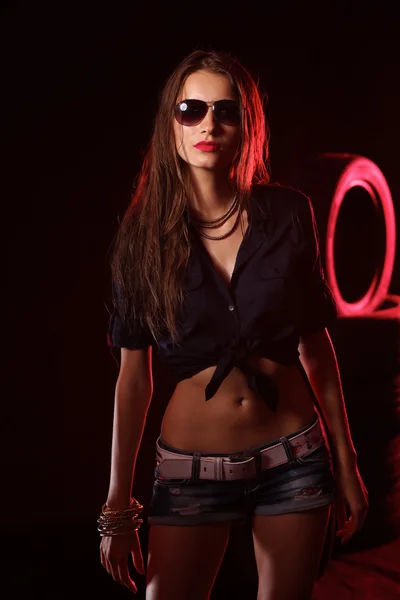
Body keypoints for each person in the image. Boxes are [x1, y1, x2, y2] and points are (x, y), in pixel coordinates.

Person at [98, 49, 369, 599]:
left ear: (246, 126)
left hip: (295, 460)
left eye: (225, 111)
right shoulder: (140, 238)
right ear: (169, 126)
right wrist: (118, 506)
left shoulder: (289, 213)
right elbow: (133, 378)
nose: (208, 124)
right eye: (190, 109)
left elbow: (315, 347)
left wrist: (346, 461)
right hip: (189, 471)